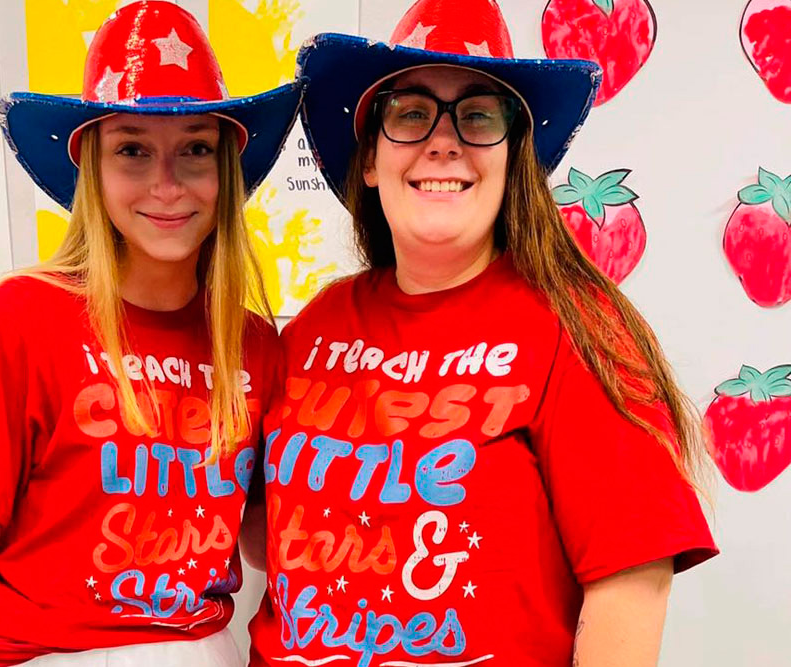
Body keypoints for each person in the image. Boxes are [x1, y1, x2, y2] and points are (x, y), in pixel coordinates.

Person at [246, 1, 718, 665]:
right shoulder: (317, 325)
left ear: (512, 159)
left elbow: (630, 583)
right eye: (410, 113)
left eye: (477, 115)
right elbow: (267, 535)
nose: (443, 140)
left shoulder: (575, 327)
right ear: (372, 160)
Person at [0, 2, 301, 666]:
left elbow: (271, 538)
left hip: (202, 649)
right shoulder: (21, 316)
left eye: (196, 150)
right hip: (42, 652)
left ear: (225, 170)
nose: (166, 184)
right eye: (132, 149)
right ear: (91, 165)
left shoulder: (256, 343)